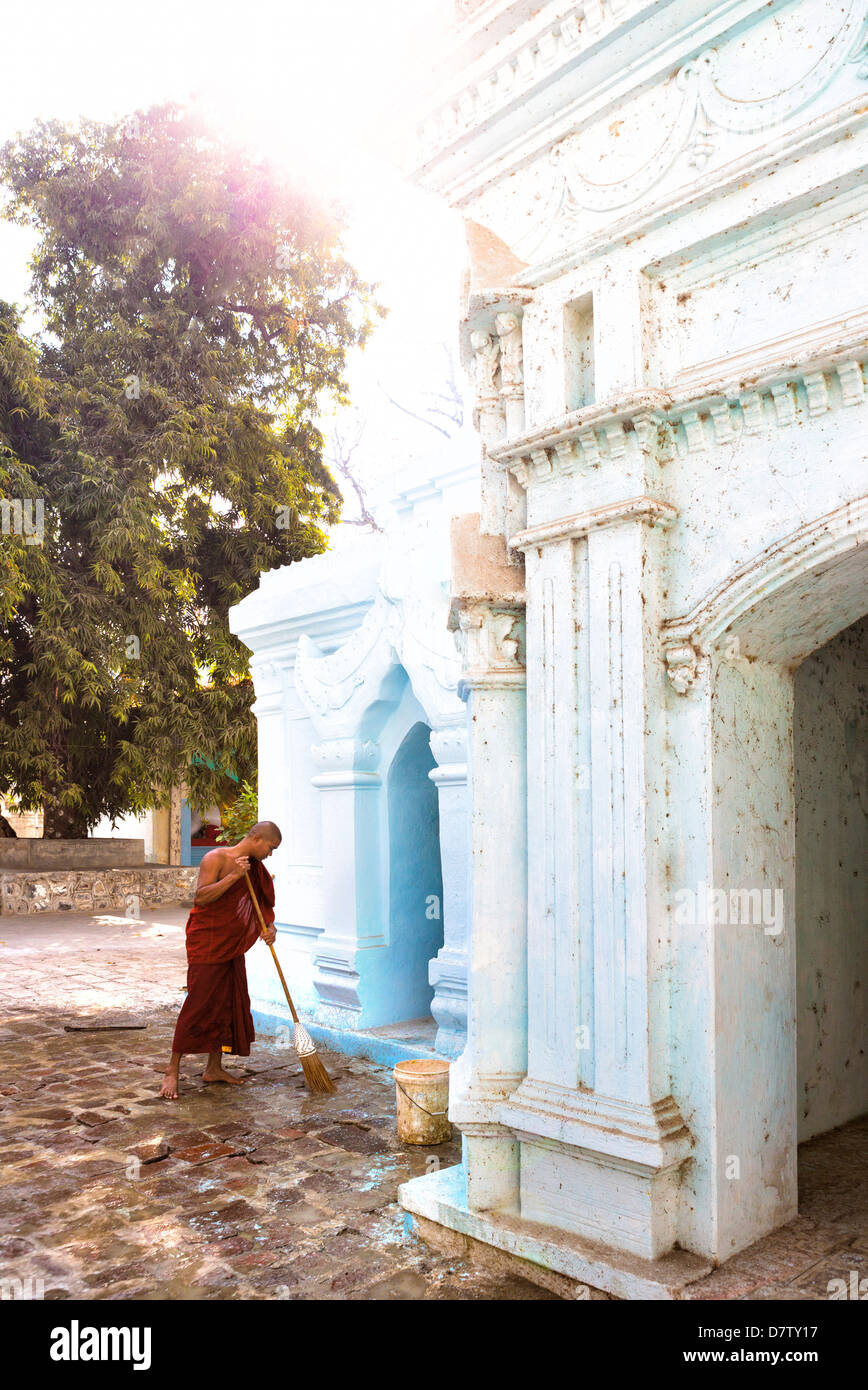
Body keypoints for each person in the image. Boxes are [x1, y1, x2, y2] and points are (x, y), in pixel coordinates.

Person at [160, 820, 281, 1100]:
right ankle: (172, 1069)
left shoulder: (255, 869)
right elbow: (201, 897)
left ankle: (214, 1068)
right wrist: (234, 877)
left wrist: (270, 926)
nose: (270, 855)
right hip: (208, 943)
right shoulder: (215, 858)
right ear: (257, 837)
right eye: (270, 848)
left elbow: (262, 904)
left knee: (227, 1004)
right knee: (199, 1003)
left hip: (232, 946)